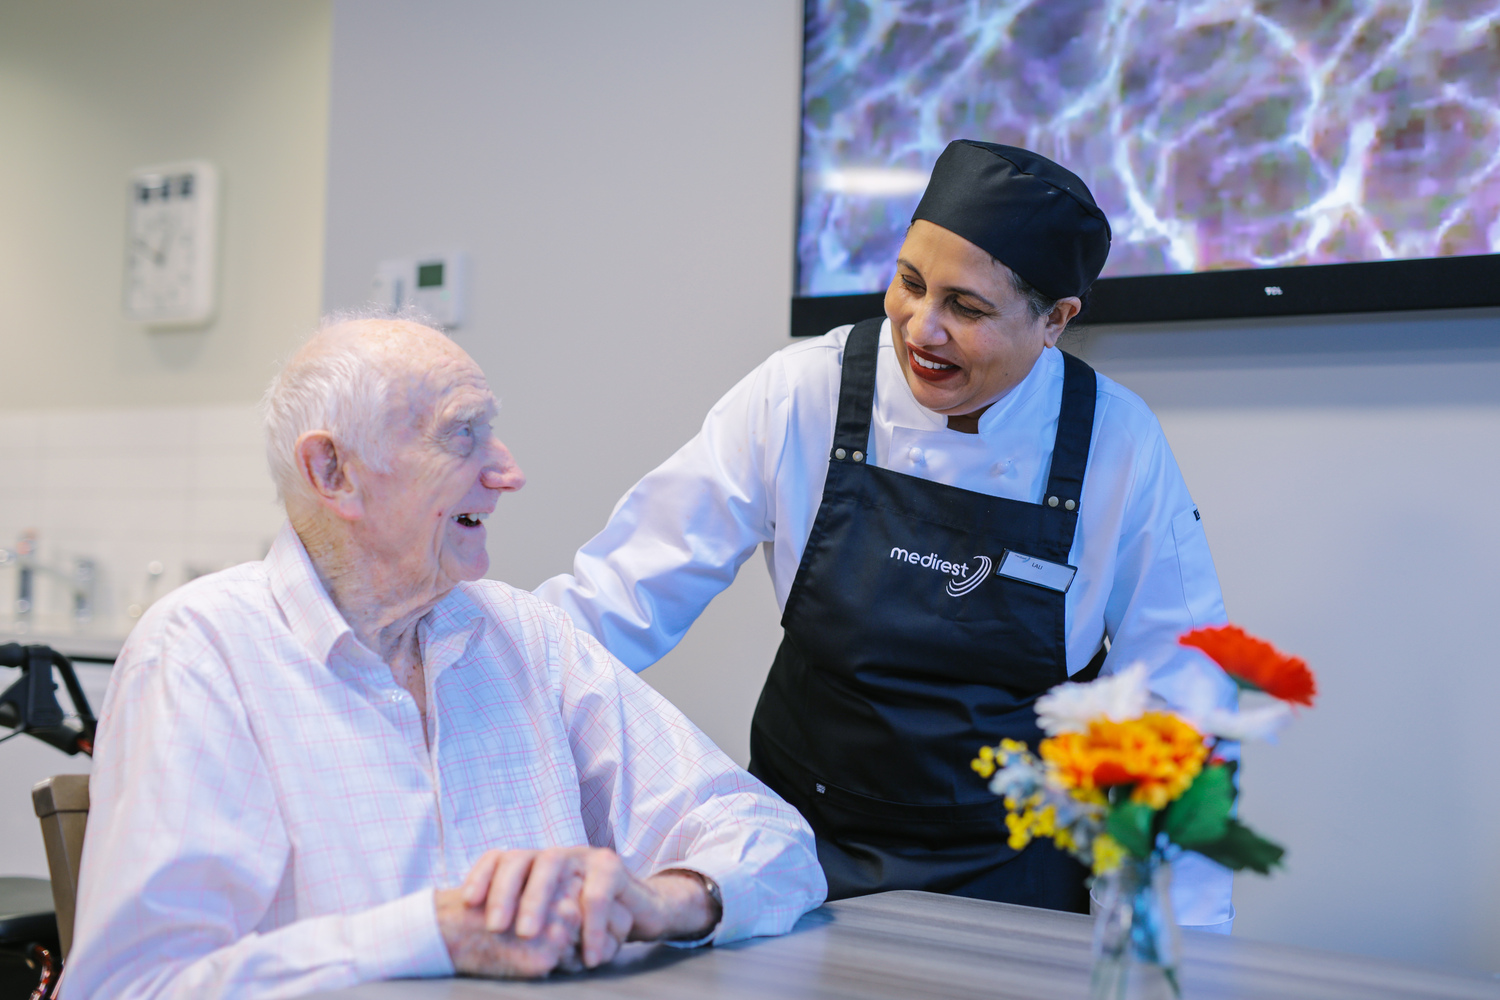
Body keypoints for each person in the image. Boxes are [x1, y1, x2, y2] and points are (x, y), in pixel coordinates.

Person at [535, 140, 1237, 929]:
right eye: (908, 283)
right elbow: (622, 592)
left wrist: (1166, 949)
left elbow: (1177, 707)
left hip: (1017, 871)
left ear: (1055, 321)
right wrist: (467, 680)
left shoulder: (1117, 443)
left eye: (966, 308)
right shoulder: (807, 391)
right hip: (800, 850)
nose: (920, 328)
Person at [62, 318, 826, 999]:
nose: (507, 472)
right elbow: (136, 985)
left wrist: (663, 898)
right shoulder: (201, 654)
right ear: (334, 473)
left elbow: (773, 839)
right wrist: (431, 933)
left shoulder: (525, 636)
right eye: (464, 434)